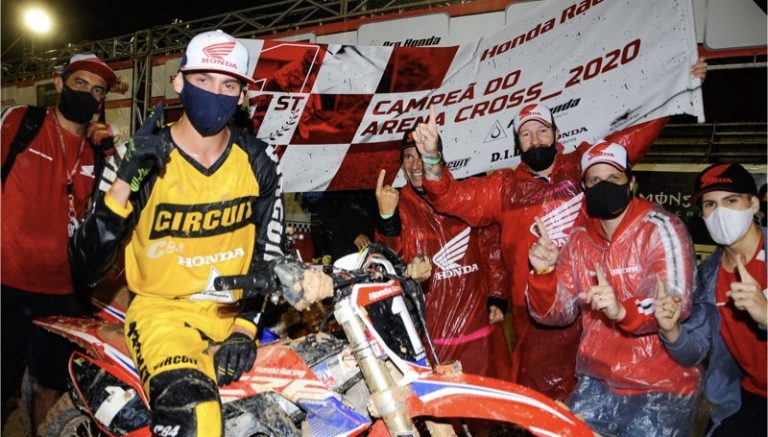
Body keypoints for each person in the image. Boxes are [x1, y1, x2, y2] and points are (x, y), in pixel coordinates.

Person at [68, 30, 330, 436]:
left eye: (228, 84)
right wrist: (123, 184)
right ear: (178, 81)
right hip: (163, 315)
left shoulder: (259, 160)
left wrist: (245, 327)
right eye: (203, 79)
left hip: (232, 314)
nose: (214, 92)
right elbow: (85, 268)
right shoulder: (139, 157)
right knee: (198, 420)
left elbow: (268, 253)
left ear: (241, 96)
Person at [411, 59, 708, 399]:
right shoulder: (503, 187)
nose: (535, 139)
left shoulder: (585, 167)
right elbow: (451, 197)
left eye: (542, 130)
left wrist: (679, 86)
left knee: (607, 386)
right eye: (526, 134)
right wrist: (431, 157)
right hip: (539, 307)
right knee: (549, 398)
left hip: (601, 300)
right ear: (517, 145)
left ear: (556, 134)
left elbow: (631, 140)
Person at [525, 141, 700, 436]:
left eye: (614, 178)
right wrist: (543, 273)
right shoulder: (579, 240)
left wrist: (621, 310)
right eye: (594, 180)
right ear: (584, 188)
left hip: (659, 388)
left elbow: (674, 301)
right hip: (597, 383)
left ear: (630, 182)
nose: (603, 186)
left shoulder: (660, 227)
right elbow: (557, 313)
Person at [1, 53, 117, 429]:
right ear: (58, 84)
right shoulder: (21, 121)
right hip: (7, 282)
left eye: (97, 90)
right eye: (80, 83)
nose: (88, 93)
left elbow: (112, 211)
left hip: (63, 291)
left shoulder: (97, 152)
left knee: (52, 385)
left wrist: (110, 152)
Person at [375, 131, 512, 379]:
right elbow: (391, 265)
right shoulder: (397, 203)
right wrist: (387, 219)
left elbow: (489, 243)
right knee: (443, 399)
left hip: (478, 327)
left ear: (436, 156)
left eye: (420, 156)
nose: (415, 165)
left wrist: (498, 296)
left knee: (486, 395)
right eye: (408, 157)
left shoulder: (461, 195)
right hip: (431, 331)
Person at [655, 162, 766, 436]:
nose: (720, 212)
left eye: (731, 200)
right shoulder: (707, 276)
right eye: (710, 204)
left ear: (754, 204)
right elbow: (695, 351)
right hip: (749, 394)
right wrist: (671, 331)